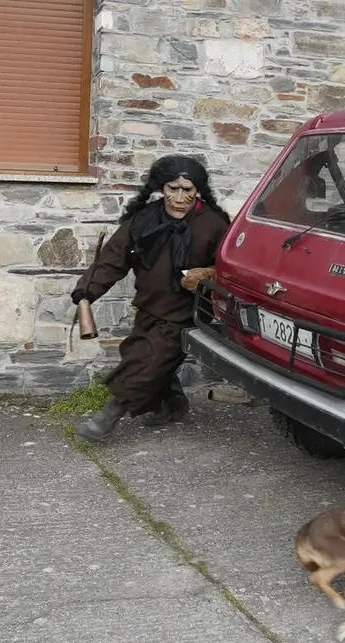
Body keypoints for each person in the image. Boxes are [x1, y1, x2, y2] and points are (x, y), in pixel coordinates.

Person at [71, 155, 231, 443]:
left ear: (198, 191)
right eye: (173, 189)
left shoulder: (215, 223)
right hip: (149, 305)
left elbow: (231, 269)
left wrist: (208, 275)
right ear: (161, 188)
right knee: (142, 355)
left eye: (187, 190)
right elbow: (112, 259)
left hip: (187, 311)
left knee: (146, 364)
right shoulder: (143, 219)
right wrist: (87, 291)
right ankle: (174, 404)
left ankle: (105, 419)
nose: (180, 197)